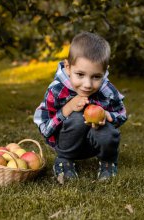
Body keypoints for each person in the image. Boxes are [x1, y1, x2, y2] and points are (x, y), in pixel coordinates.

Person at [34, 31, 127, 184]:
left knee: (108, 130)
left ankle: (107, 161)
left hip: (94, 145)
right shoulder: (57, 90)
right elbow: (45, 128)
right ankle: (64, 160)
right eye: (80, 74)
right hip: (66, 144)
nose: (88, 84)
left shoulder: (106, 89)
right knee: (77, 117)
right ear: (68, 67)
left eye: (96, 76)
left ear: (104, 71)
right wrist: (67, 108)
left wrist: (108, 115)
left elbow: (122, 114)